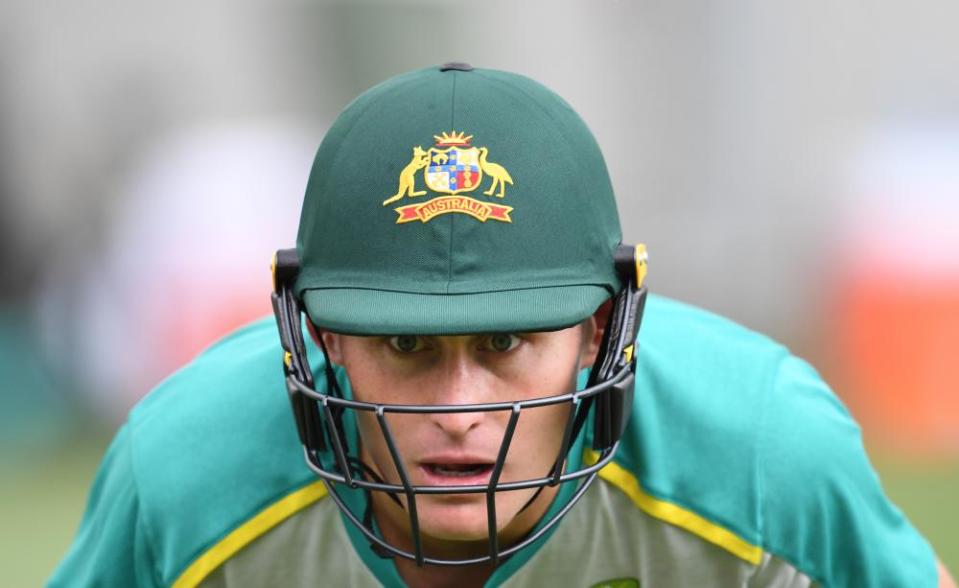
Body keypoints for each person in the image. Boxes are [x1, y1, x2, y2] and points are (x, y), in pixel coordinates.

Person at [50, 63, 955, 588]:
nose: (457, 409)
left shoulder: (761, 453)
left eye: (505, 343)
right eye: (405, 345)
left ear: (599, 330)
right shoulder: (183, 476)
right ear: (319, 334)